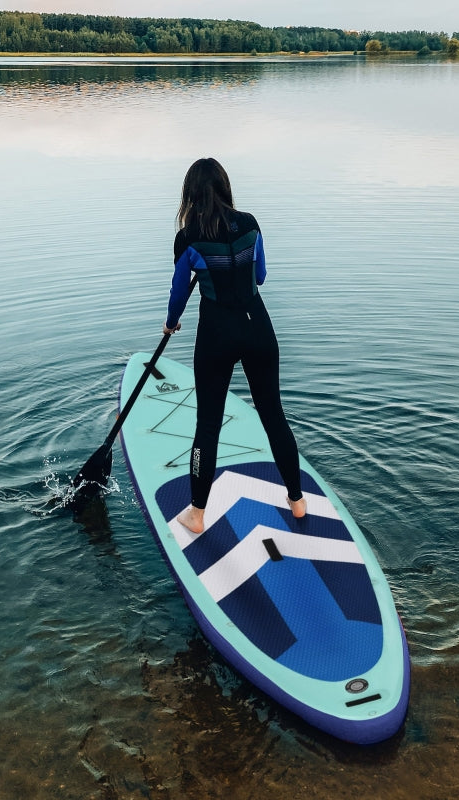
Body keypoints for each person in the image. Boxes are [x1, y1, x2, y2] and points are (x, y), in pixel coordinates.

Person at [163, 157, 306, 534]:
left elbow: (179, 292)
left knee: (207, 425)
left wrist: (171, 321)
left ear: (189, 194)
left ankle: (196, 513)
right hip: (258, 327)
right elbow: (259, 276)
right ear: (225, 187)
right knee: (274, 415)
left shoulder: (188, 237)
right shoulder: (251, 223)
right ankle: (298, 501)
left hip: (216, 334)